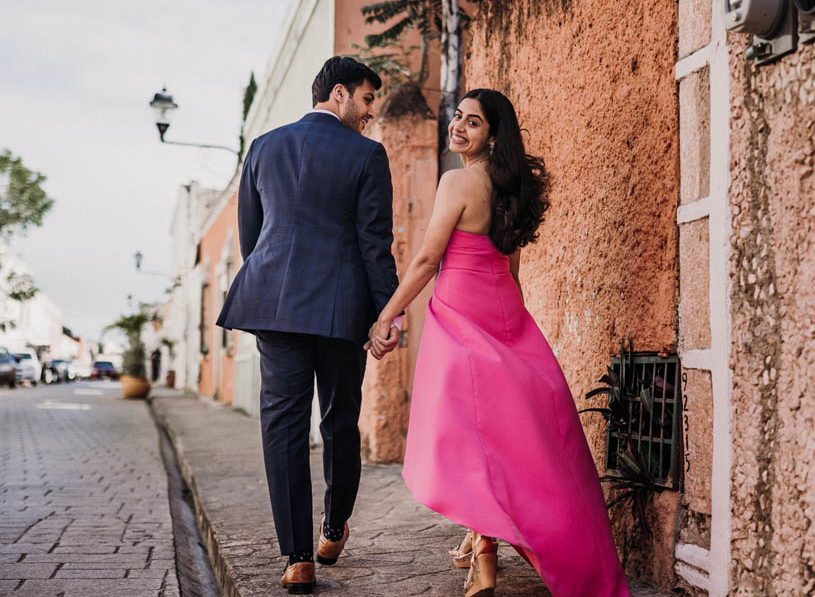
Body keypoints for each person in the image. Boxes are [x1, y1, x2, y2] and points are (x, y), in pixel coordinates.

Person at [365, 89, 630, 596]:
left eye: (473, 123)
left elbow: (426, 260)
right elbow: (510, 267)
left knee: (464, 437)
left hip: (459, 312)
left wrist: (387, 314)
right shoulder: (509, 188)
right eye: (457, 118)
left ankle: (484, 554)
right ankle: (484, 546)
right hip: (505, 312)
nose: (459, 128)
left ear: (492, 136)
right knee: (512, 440)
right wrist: (516, 329)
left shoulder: (457, 181)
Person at [217, 57, 402, 594]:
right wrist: (385, 314)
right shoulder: (367, 155)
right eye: (367, 100)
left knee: (283, 427)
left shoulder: (263, 146)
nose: (370, 114)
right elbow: (375, 244)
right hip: (340, 311)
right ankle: (333, 525)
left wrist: (278, 286)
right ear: (339, 93)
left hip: (276, 306)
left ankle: (297, 557)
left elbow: (252, 240)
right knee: (340, 420)